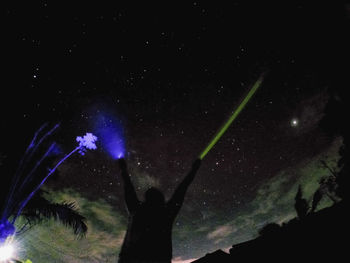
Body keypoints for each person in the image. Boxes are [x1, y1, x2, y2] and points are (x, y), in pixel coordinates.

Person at [117, 158, 201, 263]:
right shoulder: (167, 212)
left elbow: (128, 188)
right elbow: (182, 189)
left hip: (130, 258)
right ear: (161, 199)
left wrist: (123, 170)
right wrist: (194, 170)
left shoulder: (137, 209)